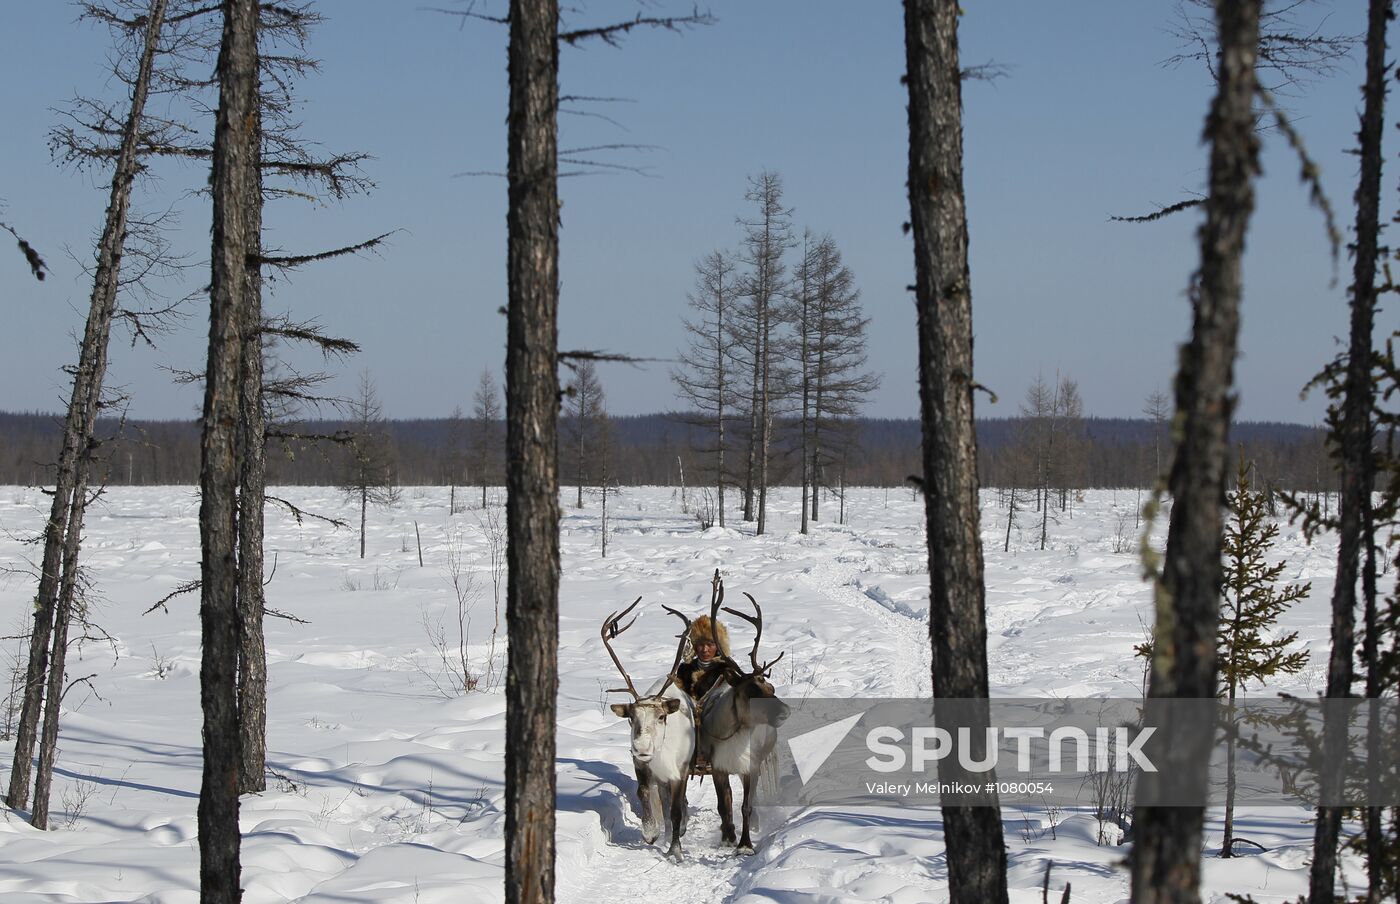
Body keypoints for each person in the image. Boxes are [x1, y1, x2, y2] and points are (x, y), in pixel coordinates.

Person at [675, 614, 735, 775]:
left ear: (718, 646)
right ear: (695, 647)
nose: (705, 649)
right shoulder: (685, 669)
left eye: (710, 644)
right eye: (700, 644)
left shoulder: (727, 669)